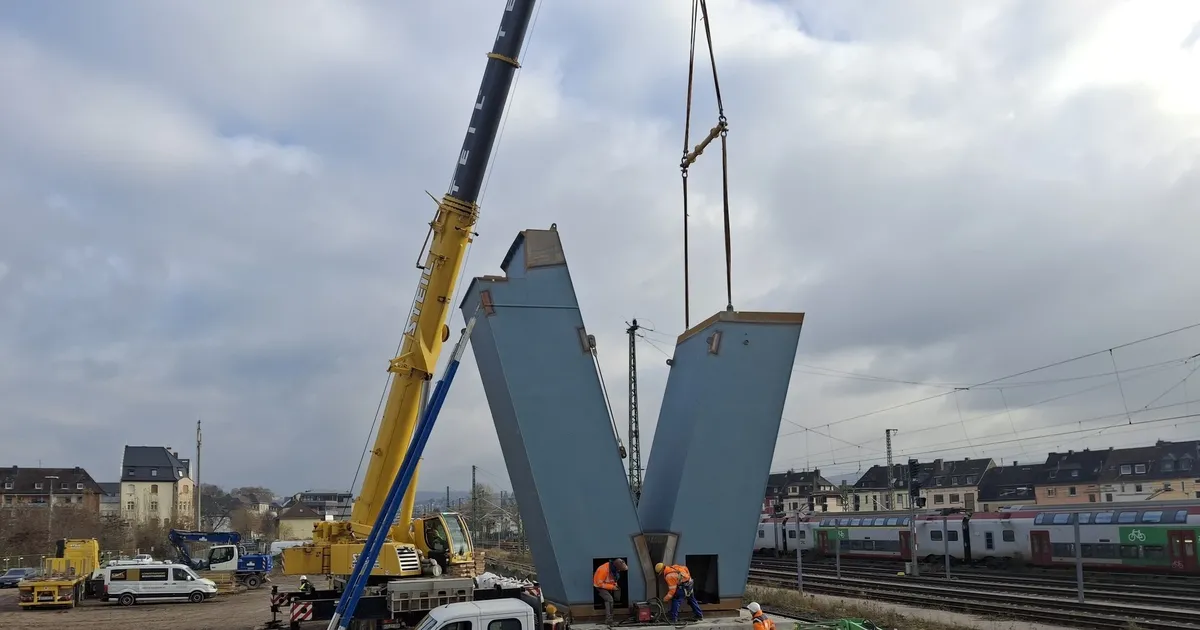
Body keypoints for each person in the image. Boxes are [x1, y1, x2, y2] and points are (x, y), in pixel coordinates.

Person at [593, 558, 628, 625]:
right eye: (619, 570)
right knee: (609, 599)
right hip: (599, 586)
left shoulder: (614, 569)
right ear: (616, 567)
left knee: (616, 595)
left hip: (608, 584)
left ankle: (610, 609)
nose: (619, 571)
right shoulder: (603, 569)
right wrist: (612, 587)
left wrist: (615, 585)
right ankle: (609, 620)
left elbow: (613, 578)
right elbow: (599, 584)